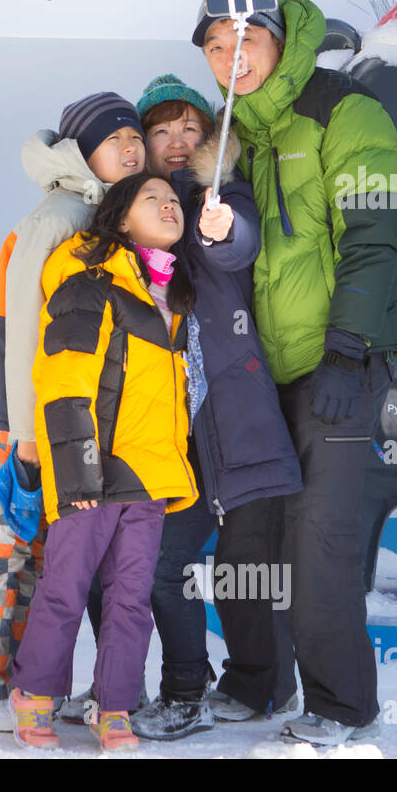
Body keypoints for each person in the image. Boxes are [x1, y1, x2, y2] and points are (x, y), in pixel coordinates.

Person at [192, 0, 397, 745]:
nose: (230, 59)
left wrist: (348, 355)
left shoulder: (347, 111)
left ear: (280, 39)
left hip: (338, 364)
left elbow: (375, 240)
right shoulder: (236, 135)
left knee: (317, 543)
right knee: (247, 536)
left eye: (242, 40)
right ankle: (257, 683)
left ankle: (342, 704)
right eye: (216, 47)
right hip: (264, 370)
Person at [63, 75, 304, 740]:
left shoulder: (217, 200)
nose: (175, 142)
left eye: (189, 129)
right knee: (155, 564)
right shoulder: (141, 216)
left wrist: (220, 227)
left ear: (207, 138)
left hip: (239, 424)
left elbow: (237, 243)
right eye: (160, 131)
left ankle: (257, 688)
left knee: (240, 570)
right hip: (172, 439)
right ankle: (162, 687)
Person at [0, 93, 146, 732]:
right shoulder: (60, 215)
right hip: (8, 415)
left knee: (32, 553)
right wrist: (28, 435)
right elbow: (28, 329)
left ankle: (9, 688)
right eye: (114, 139)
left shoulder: (100, 211)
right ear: (81, 151)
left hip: (42, 418)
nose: (131, 147)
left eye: (134, 136)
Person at [6, 172, 200, 751]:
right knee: (66, 586)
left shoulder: (172, 295)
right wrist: (78, 471)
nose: (168, 205)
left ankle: (114, 705)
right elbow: (63, 382)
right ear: (120, 218)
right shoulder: (90, 281)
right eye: (151, 199)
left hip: (150, 476)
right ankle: (35, 694)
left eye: (173, 200)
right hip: (92, 471)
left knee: (131, 597)